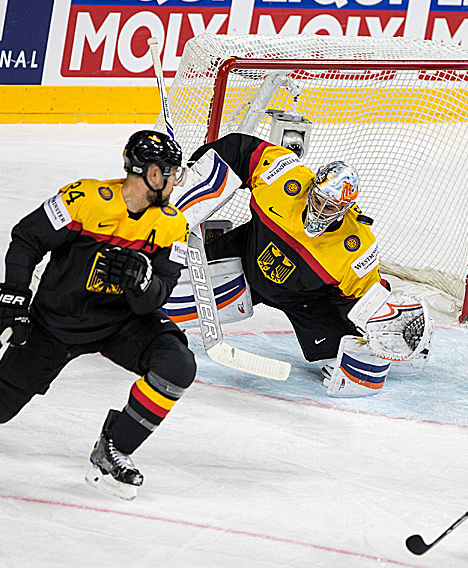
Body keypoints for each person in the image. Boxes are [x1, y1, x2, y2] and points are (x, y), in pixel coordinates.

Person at [0, 130, 196, 501]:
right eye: (172, 172)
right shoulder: (84, 198)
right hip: (57, 321)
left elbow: (157, 296)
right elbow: (28, 237)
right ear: (154, 175)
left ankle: (115, 448)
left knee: (177, 365)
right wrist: (13, 296)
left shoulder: (175, 226)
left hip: (122, 324)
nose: (176, 180)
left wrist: (141, 286)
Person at [178, 132, 433, 397]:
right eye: (318, 200)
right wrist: (196, 171)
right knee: (169, 295)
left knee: (342, 362)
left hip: (305, 300)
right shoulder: (286, 178)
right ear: (312, 187)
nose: (320, 211)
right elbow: (239, 150)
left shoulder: (355, 246)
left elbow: (365, 298)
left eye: (331, 208)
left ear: (346, 210)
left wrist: (387, 322)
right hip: (246, 257)